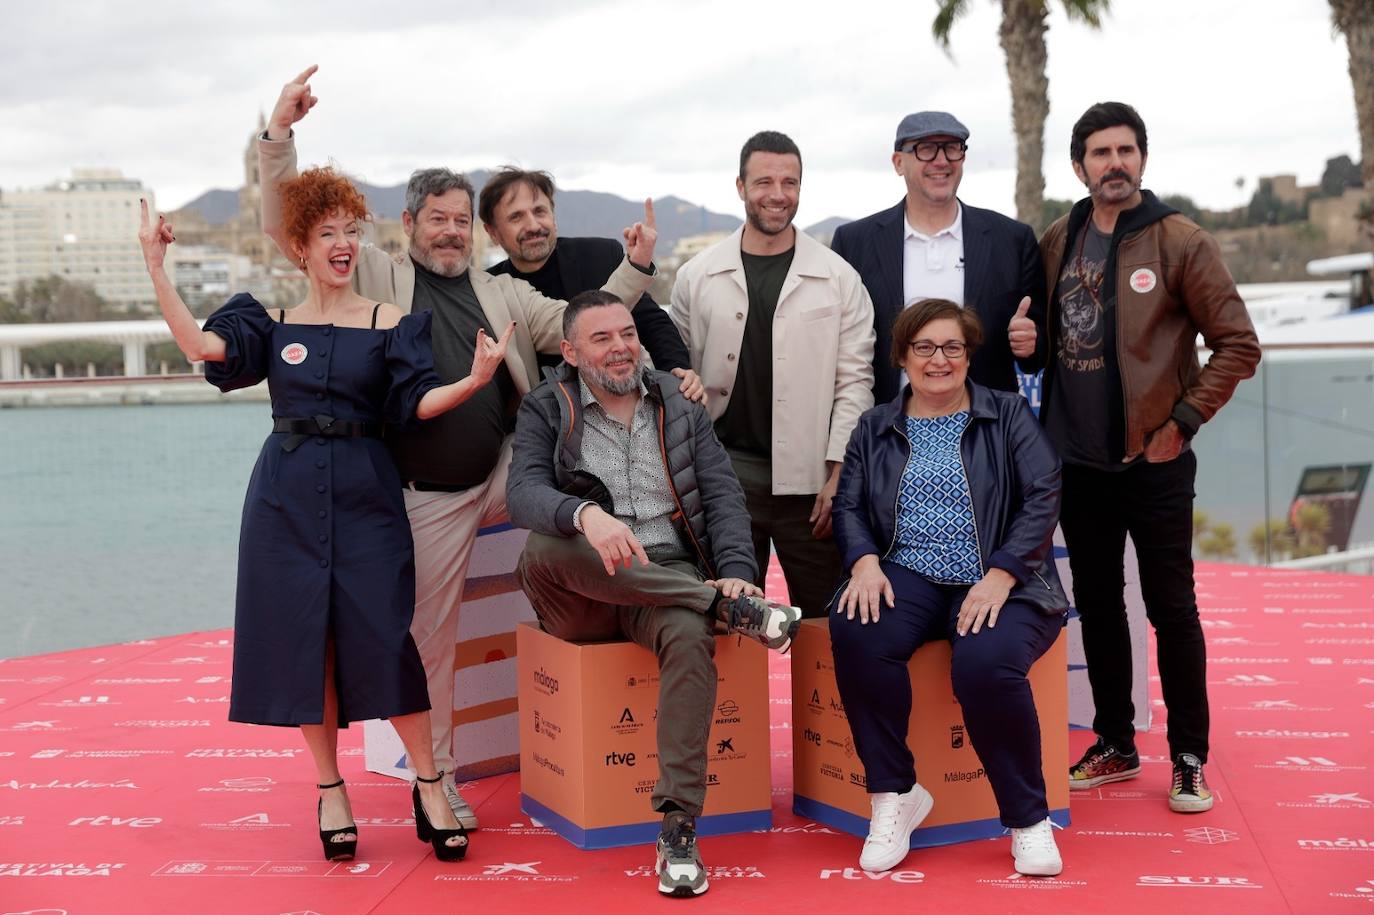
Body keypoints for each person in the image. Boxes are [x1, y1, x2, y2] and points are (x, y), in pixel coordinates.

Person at [259, 66, 661, 828]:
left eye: (459, 220)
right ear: (409, 223)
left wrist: (635, 268)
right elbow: (288, 228)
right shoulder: (372, 271)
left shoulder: (499, 288)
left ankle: (636, 622)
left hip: (506, 470)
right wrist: (280, 134)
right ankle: (433, 778)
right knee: (425, 640)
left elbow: (576, 325)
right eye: (435, 219)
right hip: (423, 493)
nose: (449, 231)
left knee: (593, 477)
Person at [136, 170, 503, 862]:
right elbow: (199, 348)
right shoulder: (267, 325)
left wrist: (473, 382)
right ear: (300, 246)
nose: (343, 244)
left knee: (388, 636)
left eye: (351, 231)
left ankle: (430, 784)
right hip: (285, 501)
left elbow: (414, 402)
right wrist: (158, 268)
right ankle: (330, 787)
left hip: (368, 492)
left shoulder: (392, 321)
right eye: (327, 233)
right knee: (313, 647)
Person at [506, 290, 801, 898]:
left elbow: (721, 494)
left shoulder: (677, 402)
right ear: (569, 350)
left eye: (627, 335)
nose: (620, 348)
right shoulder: (545, 406)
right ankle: (727, 610)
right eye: (602, 338)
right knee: (543, 546)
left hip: (666, 577)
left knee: (692, 632)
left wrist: (739, 569)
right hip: (583, 586)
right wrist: (583, 514)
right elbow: (523, 494)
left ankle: (678, 828)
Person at [1040, 102, 1260, 812]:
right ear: (1080, 166)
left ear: (1143, 158)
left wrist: (1184, 421)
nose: (1115, 163)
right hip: (1078, 464)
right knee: (1099, 605)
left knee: (1171, 606)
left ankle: (1189, 754)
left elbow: (1237, 344)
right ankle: (1115, 742)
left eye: (1126, 150)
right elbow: (1047, 336)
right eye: (1101, 152)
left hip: (1156, 461)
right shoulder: (1057, 239)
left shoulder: (1180, 241)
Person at [829, 298, 1069, 876]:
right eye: (925, 348)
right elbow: (850, 503)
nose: (940, 360)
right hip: (906, 571)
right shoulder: (875, 424)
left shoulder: (1007, 413)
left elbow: (1044, 491)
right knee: (856, 628)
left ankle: (1029, 822)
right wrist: (863, 561)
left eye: (953, 347)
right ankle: (895, 795)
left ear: (969, 354)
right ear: (902, 357)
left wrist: (1004, 571)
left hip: (1000, 576)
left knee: (984, 664)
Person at [670, 131, 875, 618]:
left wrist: (837, 474)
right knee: (729, 620)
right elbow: (672, 374)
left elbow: (855, 382)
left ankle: (822, 702)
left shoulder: (839, 277)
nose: (778, 194)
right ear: (740, 186)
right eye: (764, 181)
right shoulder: (696, 277)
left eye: (790, 182)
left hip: (812, 488)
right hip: (723, 480)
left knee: (827, 623)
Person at [830, 111, 1047, 404]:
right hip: (887, 431)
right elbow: (839, 351)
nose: (942, 160)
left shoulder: (1012, 240)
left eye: (952, 148)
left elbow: (1041, 347)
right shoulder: (854, 243)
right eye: (926, 149)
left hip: (986, 432)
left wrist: (1031, 344)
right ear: (898, 163)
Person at [479, 166, 695, 379]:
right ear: (493, 232)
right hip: (533, 411)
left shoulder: (599, 256)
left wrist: (677, 372)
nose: (533, 225)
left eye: (539, 211)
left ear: (553, 216)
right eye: (516, 217)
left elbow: (651, 322)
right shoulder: (488, 290)